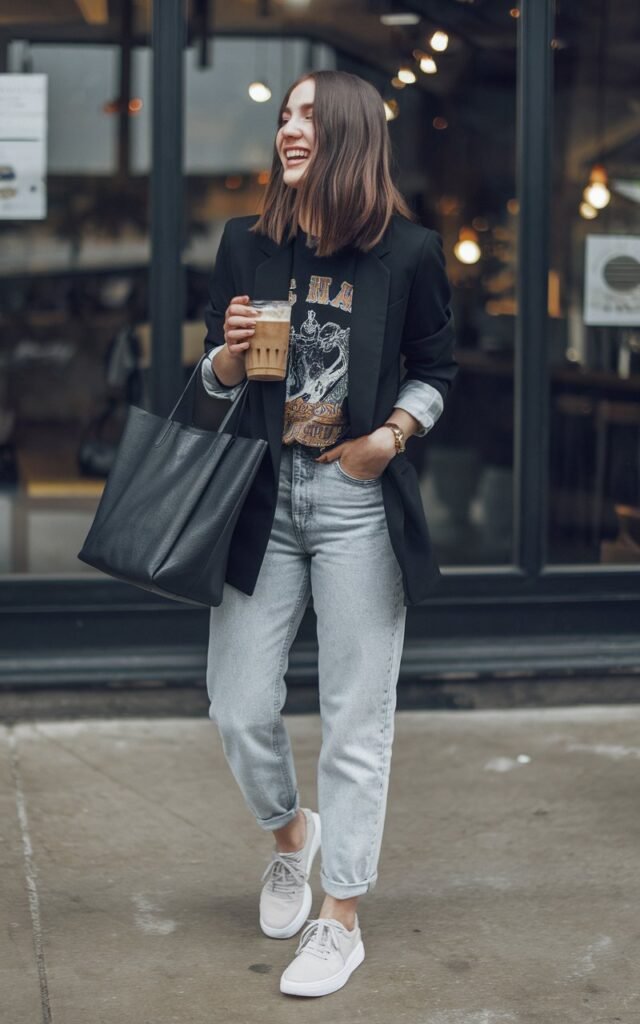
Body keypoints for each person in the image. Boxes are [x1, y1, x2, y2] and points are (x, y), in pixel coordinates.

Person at [201, 70, 458, 998]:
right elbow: (218, 380)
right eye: (282, 116)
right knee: (236, 700)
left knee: (357, 719)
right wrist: (226, 355)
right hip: (265, 500)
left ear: (348, 132)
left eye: (307, 115)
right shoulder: (247, 244)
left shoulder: (410, 253)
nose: (288, 128)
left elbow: (438, 369)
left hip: (355, 502)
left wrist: (388, 438)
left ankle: (339, 917)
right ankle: (289, 837)